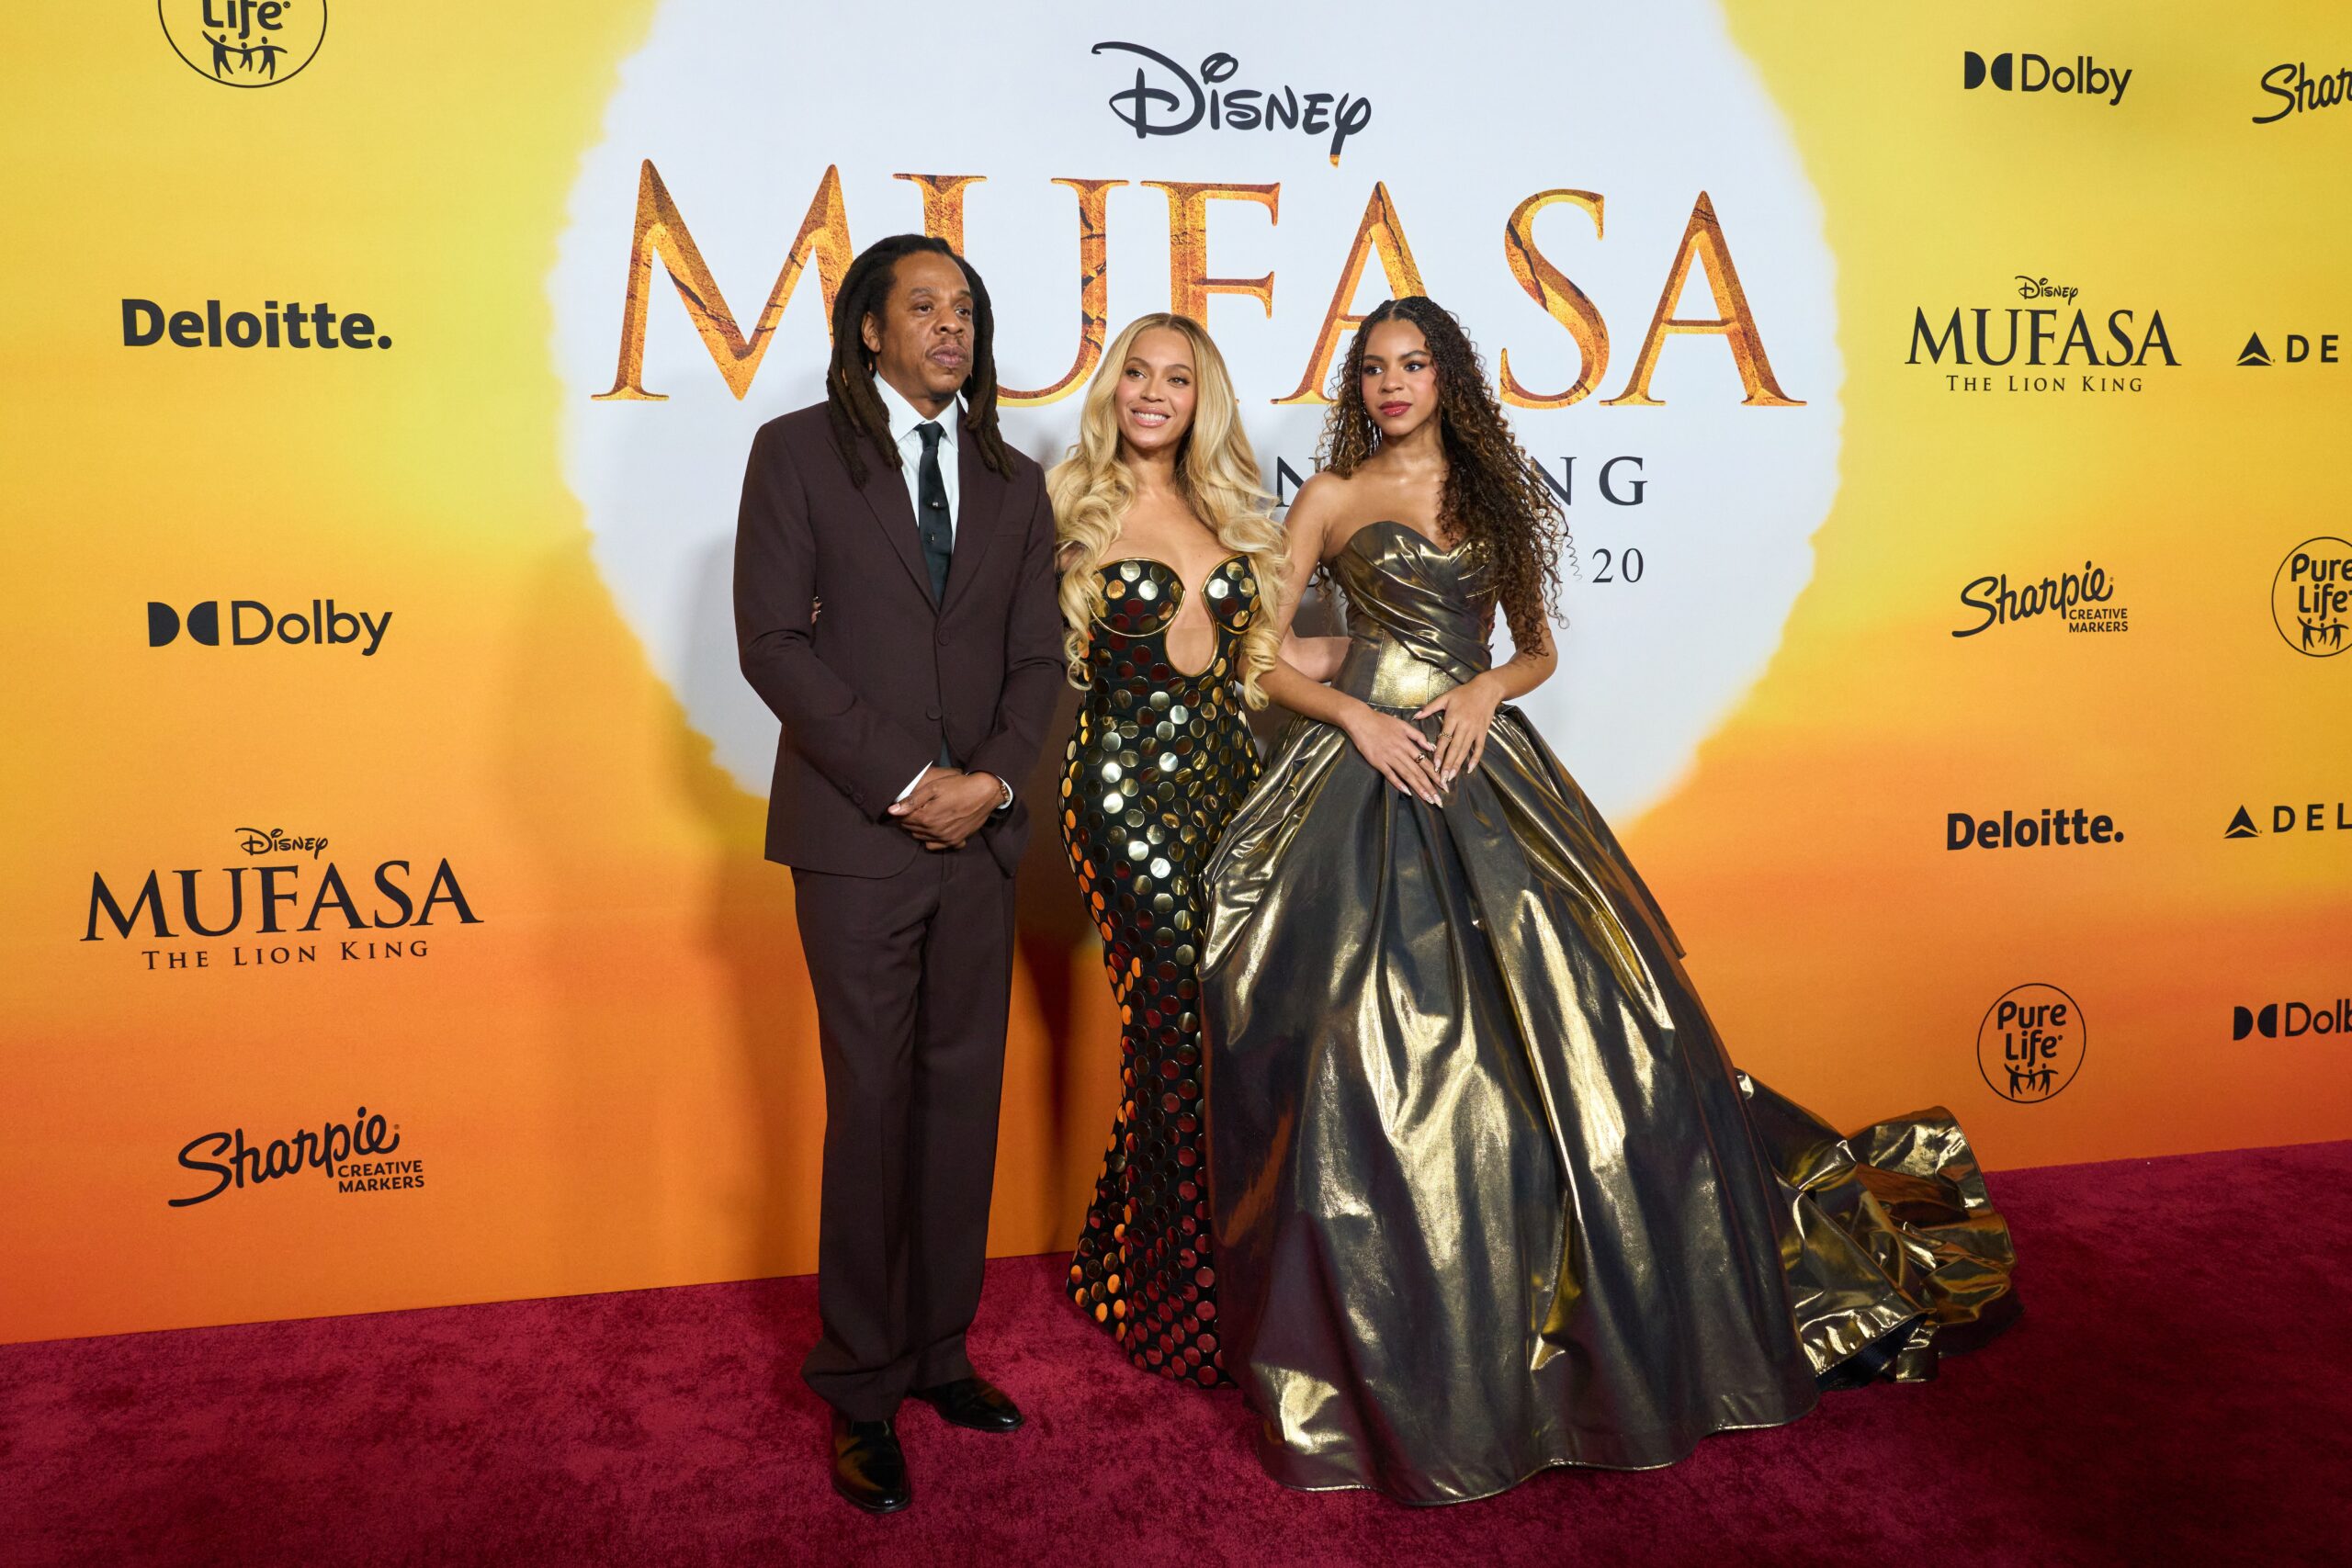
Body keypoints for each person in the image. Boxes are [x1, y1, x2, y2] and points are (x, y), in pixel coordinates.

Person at [1201, 297, 2019, 1505]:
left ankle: (1595, 1334)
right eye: (1373, 368)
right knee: (1347, 1050)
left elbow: (1535, 646)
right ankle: (1401, 1345)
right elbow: (1262, 657)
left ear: (1446, 378)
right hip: (1365, 772)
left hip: (1483, 768)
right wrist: (1362, 713)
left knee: (1611, 1044)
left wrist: (1486, 692)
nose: (1390, 384)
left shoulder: (1492, 489)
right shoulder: (1327, 498)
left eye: (1412, 364)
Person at [733, 233, 1064, 1515]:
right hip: (856, 841)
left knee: (959, 1101)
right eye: (922, 305)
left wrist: (987, 781)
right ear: (867, 327)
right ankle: (861, 1385)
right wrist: (906, 779)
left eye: (965, 308)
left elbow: (1040, 658)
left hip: (979, 841)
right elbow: (773, 641)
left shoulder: (1012, 478)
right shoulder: (798, 454)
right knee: (871, 1110)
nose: (950, 325)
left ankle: (940, 1352)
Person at [1046, 313, 1315, 1386]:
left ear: (1204, 402)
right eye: (1136, 375)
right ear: (1111, 388)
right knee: (1167, 1028)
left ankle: (1127, 1258)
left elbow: (1271, 660)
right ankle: (1173, 1302)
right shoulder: (1065, 505)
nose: (1152, 393)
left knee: (1227, 1030)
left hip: (1229, 790)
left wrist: (1407, 668)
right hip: (1119, 795)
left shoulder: (1227, 511)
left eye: (1177, 379)